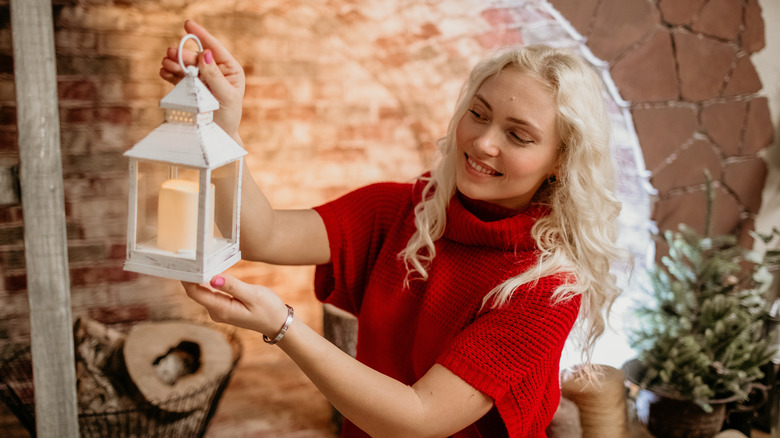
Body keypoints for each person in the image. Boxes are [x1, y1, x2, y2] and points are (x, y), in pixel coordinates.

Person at [161, 20, 625, 438]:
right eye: (479, 114)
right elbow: (266, 235)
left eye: (518, 135)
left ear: (561, 162)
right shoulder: (402, 210)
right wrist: (223, 126)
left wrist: (282, 327)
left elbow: (419, 419)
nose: (483, 142)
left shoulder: (547, 288)